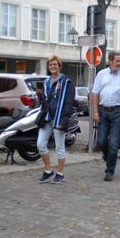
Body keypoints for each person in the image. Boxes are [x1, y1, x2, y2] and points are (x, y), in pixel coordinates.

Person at [92, 51, 120, 182]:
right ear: (110, 61)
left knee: (114, 143)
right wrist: (95, 112)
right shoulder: (101, 74)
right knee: (101, 141)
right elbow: (95, 94)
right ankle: (109, 156)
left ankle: (109, 171)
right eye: (117, 61)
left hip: (119, 112)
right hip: (103, 111)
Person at [37, 55, 75, 184]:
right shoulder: (46, 82)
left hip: (60, 118)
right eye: (50, 65)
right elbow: (44, 101)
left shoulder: (66, 82)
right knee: (40, 144)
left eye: (55, 64)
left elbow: (69, 102)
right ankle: (48, 170)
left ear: (59, 66)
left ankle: (60, 173)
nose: (53, 66)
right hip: (47, 118)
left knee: (59, 147)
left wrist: (64, 120)